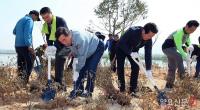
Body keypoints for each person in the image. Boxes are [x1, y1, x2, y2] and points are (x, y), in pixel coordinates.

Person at [55, 27, 104, 99]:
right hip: (87, 51)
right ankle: (79, 90)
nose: (64, 43)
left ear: (69, 34)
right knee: (79, 69)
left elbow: (80, 61)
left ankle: (88, 92)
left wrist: (76, 72)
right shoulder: (68, 41)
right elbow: (67, 52)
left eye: (64, 40)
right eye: (61, 42)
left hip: (97, 47)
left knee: (90, 69)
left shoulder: (80, 39)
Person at [116, 23, 158, 97]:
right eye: (149, 35)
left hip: (134, 51)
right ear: (143, 31)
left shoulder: (149, 39)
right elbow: (122, 42)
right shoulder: (132, 31)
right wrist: (130, 52)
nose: (150, 38)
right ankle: (122, 89)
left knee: (136, 67)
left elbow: (148, 53)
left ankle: (132, 90)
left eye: (152, 36)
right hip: (121, 48)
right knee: (120, 68)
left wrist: (148, 69)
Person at [162, 20, 199, 90]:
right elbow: (179, 47)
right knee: (179, 57)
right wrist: (186, 57)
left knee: (172, 68)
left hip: (173, 49)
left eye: (194, 31)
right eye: (191, 30)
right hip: (167, 48)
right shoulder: (179, 33)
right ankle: (183, 77)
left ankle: (168, 86)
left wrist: (190, 46)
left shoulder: (187, 34)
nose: (192, 31)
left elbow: (188, 43)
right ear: (187, 26)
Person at [40, 7, 69, 89]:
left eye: (47, 17)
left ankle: (59, 85)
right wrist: (49, 48)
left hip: (65, 46)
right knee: (56, 64)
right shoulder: (46, 25)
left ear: (51, 13)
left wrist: (54, 47)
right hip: (57, 47)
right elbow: (48, 37)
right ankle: (59, 85)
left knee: (59, 64)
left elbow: (64, 36)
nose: (46, 19)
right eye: (43, 18)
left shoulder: (60, 21)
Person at [13, 10, 40, 84]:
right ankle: (25, 81)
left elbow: (14, 31)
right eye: (36, 18)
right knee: (30, 61)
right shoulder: (29, 20)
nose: (35, 21)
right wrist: (29, 45)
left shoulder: (20, 20)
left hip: (17, 46)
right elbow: (27, 33)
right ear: (34, 15)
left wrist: (20, 34)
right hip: (25, 46)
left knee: (21, 64)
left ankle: (20, 81)